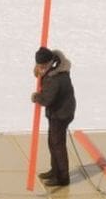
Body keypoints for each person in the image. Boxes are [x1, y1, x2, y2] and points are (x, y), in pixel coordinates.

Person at [30, 47, 76, 188]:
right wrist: (39, 72)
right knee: (52, 142)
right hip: (57, 111)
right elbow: (43, 75)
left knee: (58, 145)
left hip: (61, 114)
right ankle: (54, 170)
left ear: (50, 63)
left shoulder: (56, 78)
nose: (41, 68)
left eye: (43, 66)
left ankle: (63, 178)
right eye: (39, 66)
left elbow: (47, 99)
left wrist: (36, 97)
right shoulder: (53, 67)